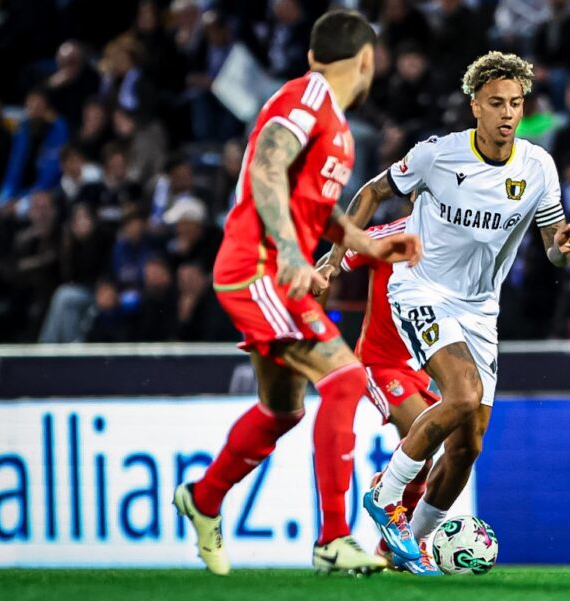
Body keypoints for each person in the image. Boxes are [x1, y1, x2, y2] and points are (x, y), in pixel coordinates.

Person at [172, 10, 421, 577]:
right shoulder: (308, 98)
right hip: (256, 268)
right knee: (347, 377)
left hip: (268, 269)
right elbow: (265, 167)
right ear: (366, 60)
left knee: (281, 411)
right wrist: (288, 249)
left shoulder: (329, 120)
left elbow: (313, 205)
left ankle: (203, 498)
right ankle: (333, 540)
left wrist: (367, 245)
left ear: (313, 54)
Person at [316, 51, 570, 575]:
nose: (508, 114)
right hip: (421, 290)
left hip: (482, 310)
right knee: (460, 395)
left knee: (468, 445)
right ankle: (385, 495)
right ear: (475, 107)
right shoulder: (437, 156)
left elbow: (551, 245)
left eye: (515, 104)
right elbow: (373, 192)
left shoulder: (537, 167)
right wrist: (333, 256)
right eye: (496, 104)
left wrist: (564, 245)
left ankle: (405, 547)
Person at [315, 216, 440, 570]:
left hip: (421, 365)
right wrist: (313, 332)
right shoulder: (390, 235)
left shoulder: (455, 238)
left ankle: (390, 547)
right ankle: (383, 492)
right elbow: (329, 267)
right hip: (379, 363)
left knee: (424, 455)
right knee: (423, 431)